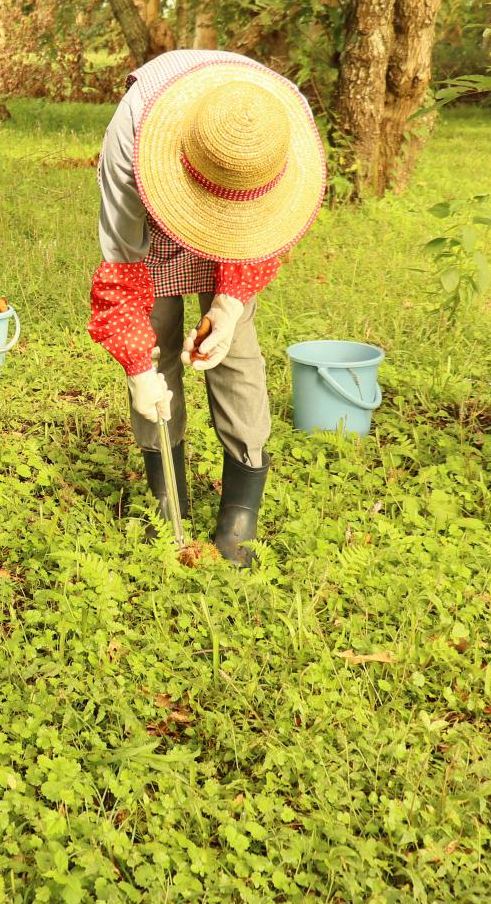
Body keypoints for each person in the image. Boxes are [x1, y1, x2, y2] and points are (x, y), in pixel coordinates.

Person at [88, 50, 325, 567]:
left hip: (239, 221)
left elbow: (267, 236)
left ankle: (241, 503)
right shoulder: (132, 138)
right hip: (152, 225)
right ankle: (165, 490)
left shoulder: (278, 128)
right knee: (158, 331)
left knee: (233, 349)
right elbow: (122, 267)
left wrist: (230, 304)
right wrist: (138, 368)